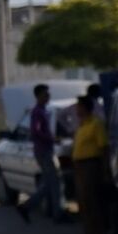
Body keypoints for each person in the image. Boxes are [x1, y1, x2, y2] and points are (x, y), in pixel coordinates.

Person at [17, 83, 70, 224]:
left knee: (48, 183)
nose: (48, 97)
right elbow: (36, 131)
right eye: (45, 94)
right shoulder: (37, 112)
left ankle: (27, 207)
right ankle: (58, 214)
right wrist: (51, 138)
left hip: (45, 150)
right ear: (39, 96)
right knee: (55, 183)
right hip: (44, 151)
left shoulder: (43, 111)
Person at [71, 95, 109, 234]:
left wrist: (105, 172)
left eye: (79, 106)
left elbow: (103, 148)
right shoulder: (81, 126)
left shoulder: (96, 124)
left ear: (86, 108)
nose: (76, 110)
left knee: (93, 205)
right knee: (84, 206)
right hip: (80, 167)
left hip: (91, 166)